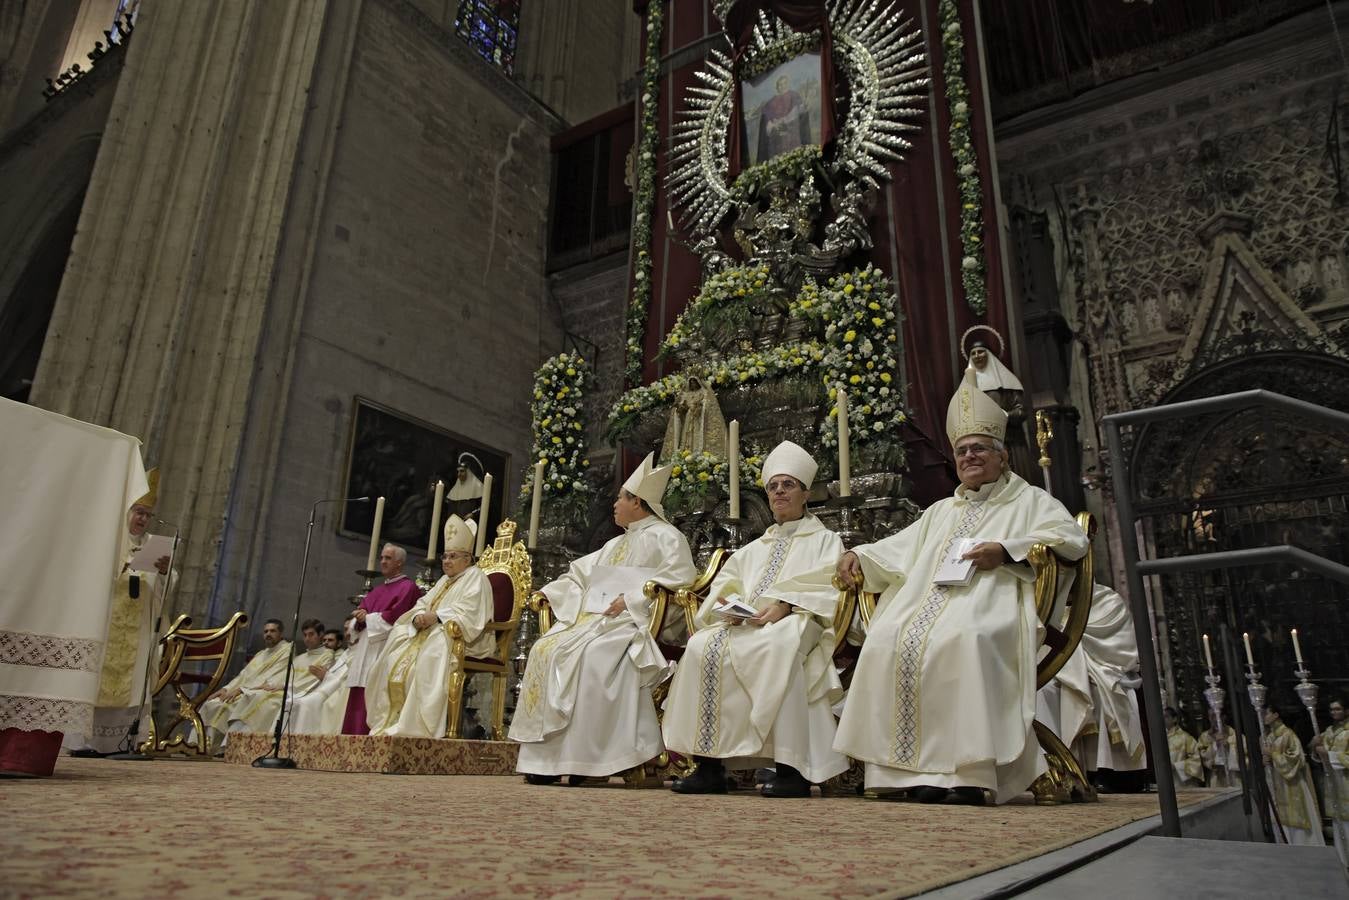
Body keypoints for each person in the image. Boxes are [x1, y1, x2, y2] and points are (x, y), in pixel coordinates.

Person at [833, 365, 1089, 805]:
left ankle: (968, 776)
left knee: (965, 639)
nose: (969, 456)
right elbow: (897, 548)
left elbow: (1071, 539)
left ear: (1002, 456)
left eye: (979, 449)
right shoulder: (941, 511)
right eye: (963, 450)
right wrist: (860, 555)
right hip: (928, 606)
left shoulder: (1030, 501)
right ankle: (907, 775)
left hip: (993, 604)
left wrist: (1006, 550)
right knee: (886, 637)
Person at [663, 441, 848, 798]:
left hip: (798, 619)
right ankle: (709, 765)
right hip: (746, 623)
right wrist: (729, 608)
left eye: (788, 485)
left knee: (781, 645)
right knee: (703, 646)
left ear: (806, 493)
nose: (779, 491)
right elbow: (725, 587)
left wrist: (786, 606)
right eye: (773, 486)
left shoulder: (826, 541)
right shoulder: (754, 548)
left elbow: (831, 587)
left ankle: (791, 768)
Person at [511, 452, 696, 784]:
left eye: (620, 498)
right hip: (596, 621)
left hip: (634, 623)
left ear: (638, 501)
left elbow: (682, 580)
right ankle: (549, 759)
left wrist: (633, 599)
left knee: (599, 656)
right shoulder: (614, 544)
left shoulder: (667, 536)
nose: (614, 504)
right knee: (546, 648)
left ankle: (589, 761)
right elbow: (579, 576)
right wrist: (550, 592)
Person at [66, 468, 176, 756]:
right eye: (138, 512)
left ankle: (122, 741)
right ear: (126, 511)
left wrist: (164, 572)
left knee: (132, 681)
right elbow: (84, 578)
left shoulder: (152, 546)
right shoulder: (107, 541)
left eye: (147, 514)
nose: (142, 519)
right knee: (95, 680)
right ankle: (83, 742)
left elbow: (161, 591)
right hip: (104, 627)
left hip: (136, 631)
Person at [366, 516, 494, 738]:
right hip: (433, 633)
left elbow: (472, 613)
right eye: (444, 556)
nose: (446, 561)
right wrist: (417, 617)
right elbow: (422, 604)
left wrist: (436, 617)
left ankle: (418, 726)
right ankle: (389, 721)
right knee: (393, 650)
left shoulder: (476, 577)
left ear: (467, 558)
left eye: (452, 556)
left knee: (427, 658)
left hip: (464, 638)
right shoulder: (445, 580)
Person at [1037, 583, 1146, 788]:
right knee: (1040, 691)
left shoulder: (1106, 600)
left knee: (1100, 688)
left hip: (1104, 668)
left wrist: (1069, 647)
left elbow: (1119, 651)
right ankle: (1057, 768)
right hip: (1058, 671)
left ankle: (1109, 771)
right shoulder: (1041, 601)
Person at [341, 544, 422, 734]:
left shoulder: (407, 587)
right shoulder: (377, 590)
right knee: (358, 693)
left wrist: (367, 618)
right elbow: (359, 618)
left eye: (388, 558)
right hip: (365, 649)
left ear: (399, 564)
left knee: (374, 692)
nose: (383, 562)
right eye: (382, 558)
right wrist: (359, 619)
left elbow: (399, 618)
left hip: (386, 648)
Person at [195, 620, 292, 751]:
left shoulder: (287, 650)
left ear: (281, 634)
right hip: (242, 691)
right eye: (266, 631)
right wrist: (226, 688)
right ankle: (200, 746)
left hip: (256, 692)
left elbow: (271, 676)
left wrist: (242, 690)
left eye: (273, 631)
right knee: (213, 703)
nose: (268, 634)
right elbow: (243, 675)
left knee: (233, 704)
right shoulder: (261, 654)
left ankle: (224, 749)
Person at [1262, 705, 1325, 846]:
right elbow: (1269, 760)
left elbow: (1296, 759)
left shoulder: (1288, 734)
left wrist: (1272, 754)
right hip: (1278, 785)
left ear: (1276, 715)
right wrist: (1265, 760)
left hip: (1292, 784)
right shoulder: (1270, 737)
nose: (1263, 717)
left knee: (1298, 823)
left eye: (1266, 713)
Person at [1312, 697, 1349, 866]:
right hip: (1333, 781)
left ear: (1346, 711)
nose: (1334, 712)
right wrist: (1316, 748)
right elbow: (1319, 756)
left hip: (1346, 781)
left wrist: (1330, 755)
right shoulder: (1328, 731)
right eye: (1332, 710)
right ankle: (1342, 858)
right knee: (1337, 819)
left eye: (1338, 709)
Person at [754, 73, 811, 163]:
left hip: (791, 131)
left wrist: (804, 106)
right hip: (776, 135)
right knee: (777, 159)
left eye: (784, 83)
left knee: (794, 157)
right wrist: (773, 125)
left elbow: (797, 111)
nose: (782, 86)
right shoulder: (771, 102)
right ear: (777, 87)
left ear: (787, 84)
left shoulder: (794, 95)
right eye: (780, 84)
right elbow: (767, 118)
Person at [1165, 707, 1204, 787]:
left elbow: (1196, 760)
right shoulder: (1159, 739)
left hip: (1184, 784)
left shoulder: (1186, 738)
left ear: (1174, 719)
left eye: (1166, 716)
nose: (1163, 719)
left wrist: (1176, 766)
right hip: (1167, 783)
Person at [1198, 715, 1241, 788]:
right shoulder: (1204, 737)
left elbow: (1246, 757)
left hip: (1234, 775)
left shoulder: (1235, 735)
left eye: (1215, 715)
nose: (1213, 719)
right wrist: (1215, 746)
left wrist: (1229, 747)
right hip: (1215, 776)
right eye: (1211, 716)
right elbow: (1202, 757)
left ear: (1224, 717)